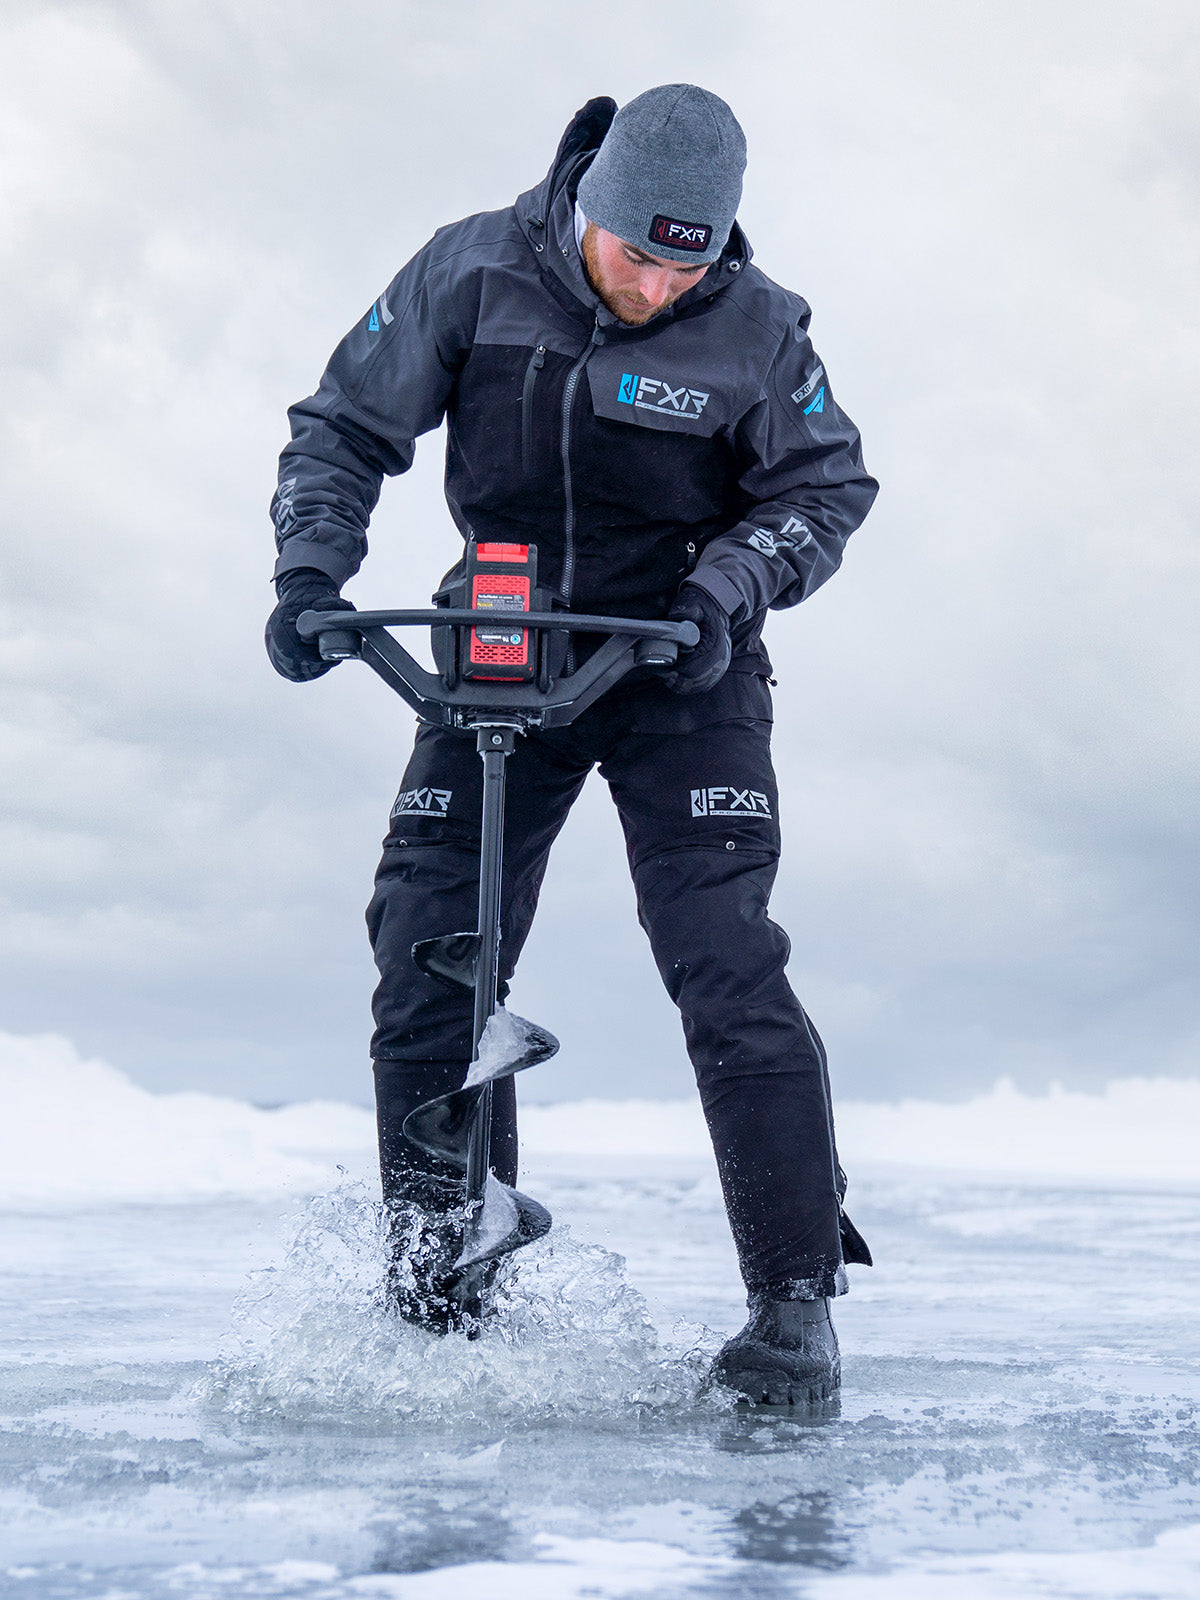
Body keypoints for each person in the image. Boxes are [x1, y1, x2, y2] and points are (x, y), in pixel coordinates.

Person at [266, 85, 879, 1405]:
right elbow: (344, 425)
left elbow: (825, 485)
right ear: (584, 206)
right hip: (505, 647)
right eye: (638, 253)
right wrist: (314, 570)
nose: (661, 283)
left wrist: (722, 595)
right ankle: (441, 1284)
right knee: (429, 943)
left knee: (727, 962)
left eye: (689, 258)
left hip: (679, 663)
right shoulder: (474, 269)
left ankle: (792, 1315)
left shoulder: (763, 330)